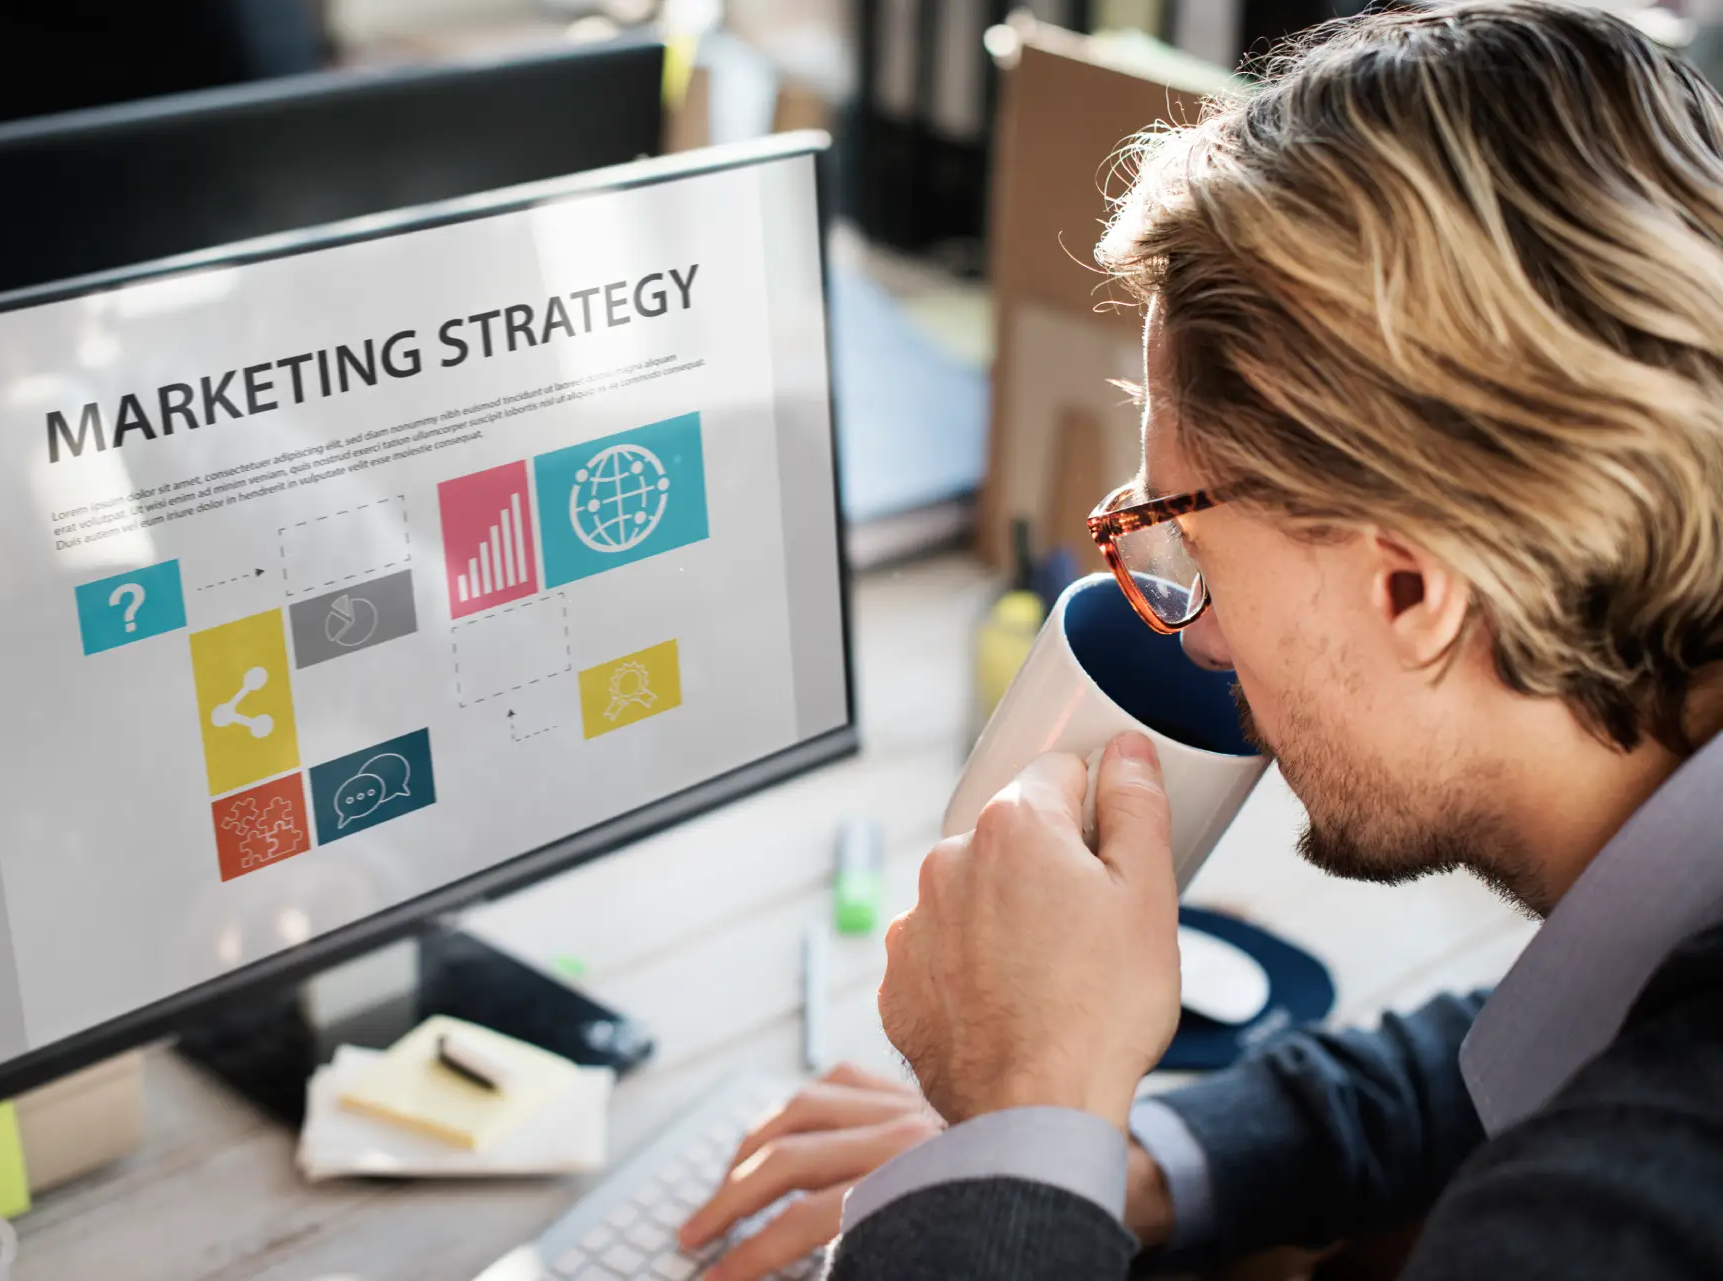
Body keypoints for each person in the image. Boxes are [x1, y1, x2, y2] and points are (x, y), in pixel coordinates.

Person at [677, 2, 1723, 1277]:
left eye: (1189, 547)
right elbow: (1534, 1044)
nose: (1202, 639)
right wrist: (1106, 1160)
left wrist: (1023, 1108)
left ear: (1413, 592)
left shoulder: (1626, 1224)